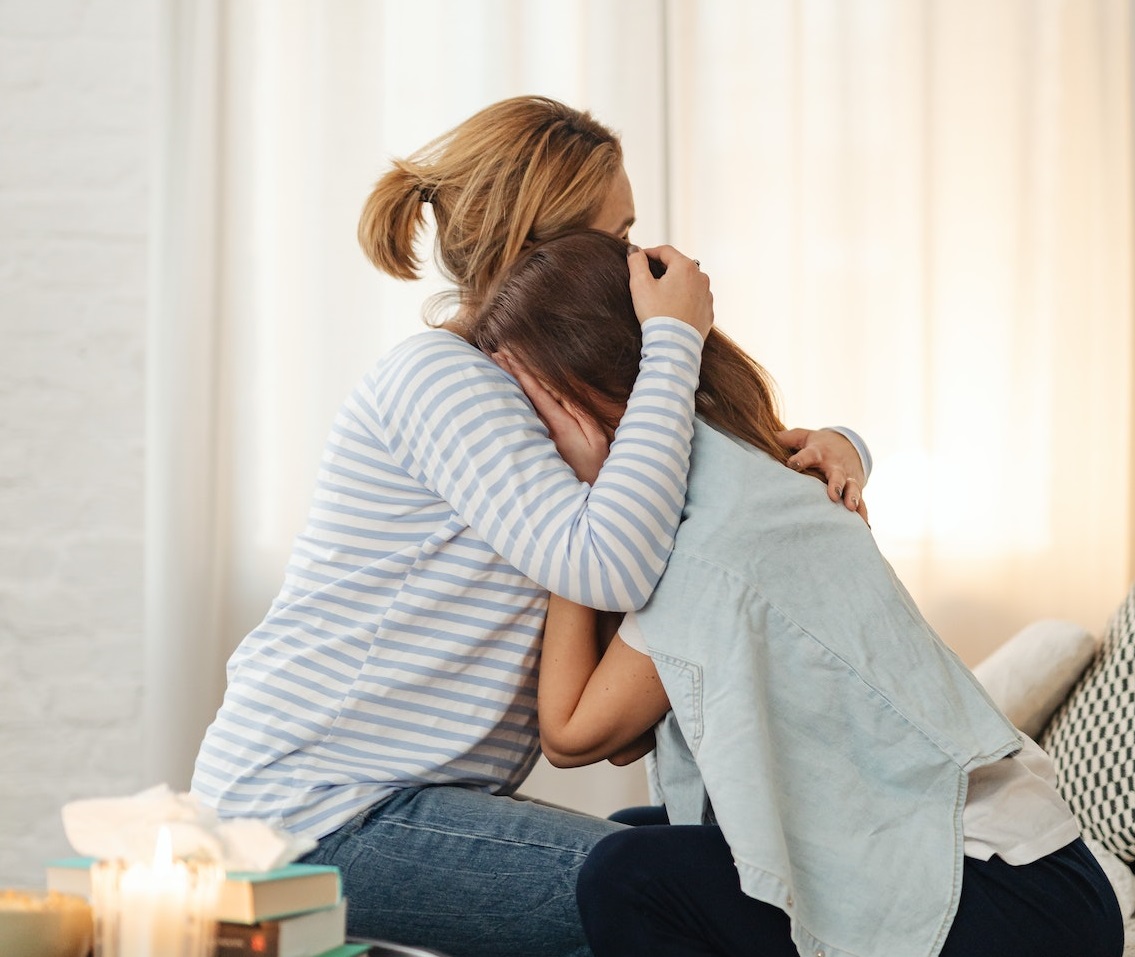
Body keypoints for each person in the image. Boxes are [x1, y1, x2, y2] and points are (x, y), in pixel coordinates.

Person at [190, 95, 871, 957]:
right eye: (619, 236)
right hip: (311, 814)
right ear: (551, 251)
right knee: (677, 903)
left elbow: (708, 485)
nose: (636, 262)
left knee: (685, 880)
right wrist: (673, 339)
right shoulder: (440, 378)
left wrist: (844, 444)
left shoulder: (541, 394)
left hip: (391, 800)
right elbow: (607, 565)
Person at [467, 228, 1126, 957]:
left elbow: (574, 733)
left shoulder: (717, 530)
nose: (524, 439)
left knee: (622, 875)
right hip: (1008, 880)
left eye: (532, 408)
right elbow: (628, 737)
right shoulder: (726, 467)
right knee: (631, 838)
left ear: (586, 386)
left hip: (1013, 898)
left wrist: (581, 521)